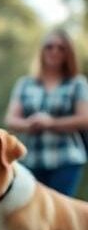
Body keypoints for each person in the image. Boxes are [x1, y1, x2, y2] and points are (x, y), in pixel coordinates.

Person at [5, 29, 88, 196]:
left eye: (61, 48)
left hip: (66, 159)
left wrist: (52, 123)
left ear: (68, 53)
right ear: (42, 51)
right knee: (32, 210)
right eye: (49, 47)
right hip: (31, 159)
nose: (54, 51)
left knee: (59, 209)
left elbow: (84, 119)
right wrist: (29, 124)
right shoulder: (25, 83)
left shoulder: (77, 83)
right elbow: (11, 120)